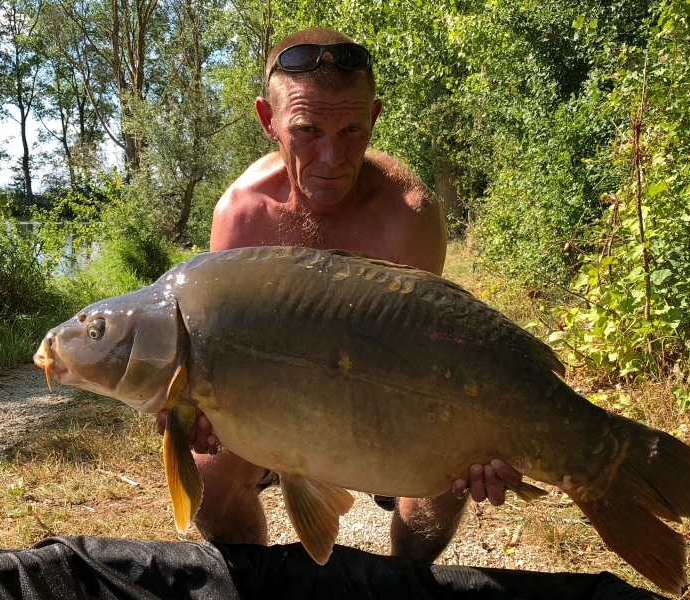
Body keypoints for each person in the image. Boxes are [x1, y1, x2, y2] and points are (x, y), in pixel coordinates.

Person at [157, 27, 524, 564]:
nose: (333, 156)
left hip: (384, 400)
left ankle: (402, 580)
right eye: (307, 130)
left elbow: (426, 356)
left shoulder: (409, 216)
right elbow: (221, 354)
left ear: (373, 117)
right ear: (268, 121)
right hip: (273, 402)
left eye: (352, 129)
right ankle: (260, 583)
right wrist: (192, 408)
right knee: (209, 478)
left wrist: (474, 441)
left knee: (446, 485)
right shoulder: (240, 217)